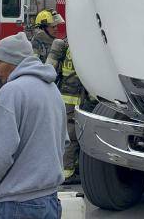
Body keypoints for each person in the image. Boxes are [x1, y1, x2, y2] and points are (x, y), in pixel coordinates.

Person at [0, 32, 68, 219]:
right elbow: (63, 142)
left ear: (13, 61)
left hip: (16, 204)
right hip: (49, 200)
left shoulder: (11, 92)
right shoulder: (52, 89)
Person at [58, 48, 87, 185]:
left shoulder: (69, 45)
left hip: (66, 94)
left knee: (69, 133)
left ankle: (72, 166)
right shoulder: (83, 47)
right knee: (72, 136)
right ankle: (67, 173)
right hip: (75, 97)